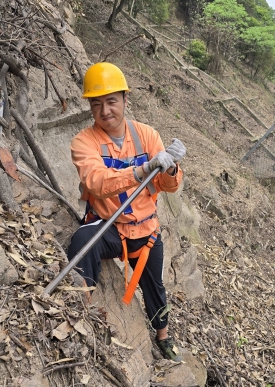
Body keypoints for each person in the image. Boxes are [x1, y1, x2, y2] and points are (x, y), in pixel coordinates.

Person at [67, 62, 186, 362]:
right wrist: (142, 169)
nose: (105, 110)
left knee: (154, 285)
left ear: (124, 99)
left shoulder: (147, 135)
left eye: (111, 101)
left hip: (145, 228)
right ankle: (81, 313)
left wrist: (171, 168)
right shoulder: (84, 142)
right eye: (97, 104)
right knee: (82, 243)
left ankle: (163, 335)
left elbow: (167, 186)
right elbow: (96, 182)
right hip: (109, 225)